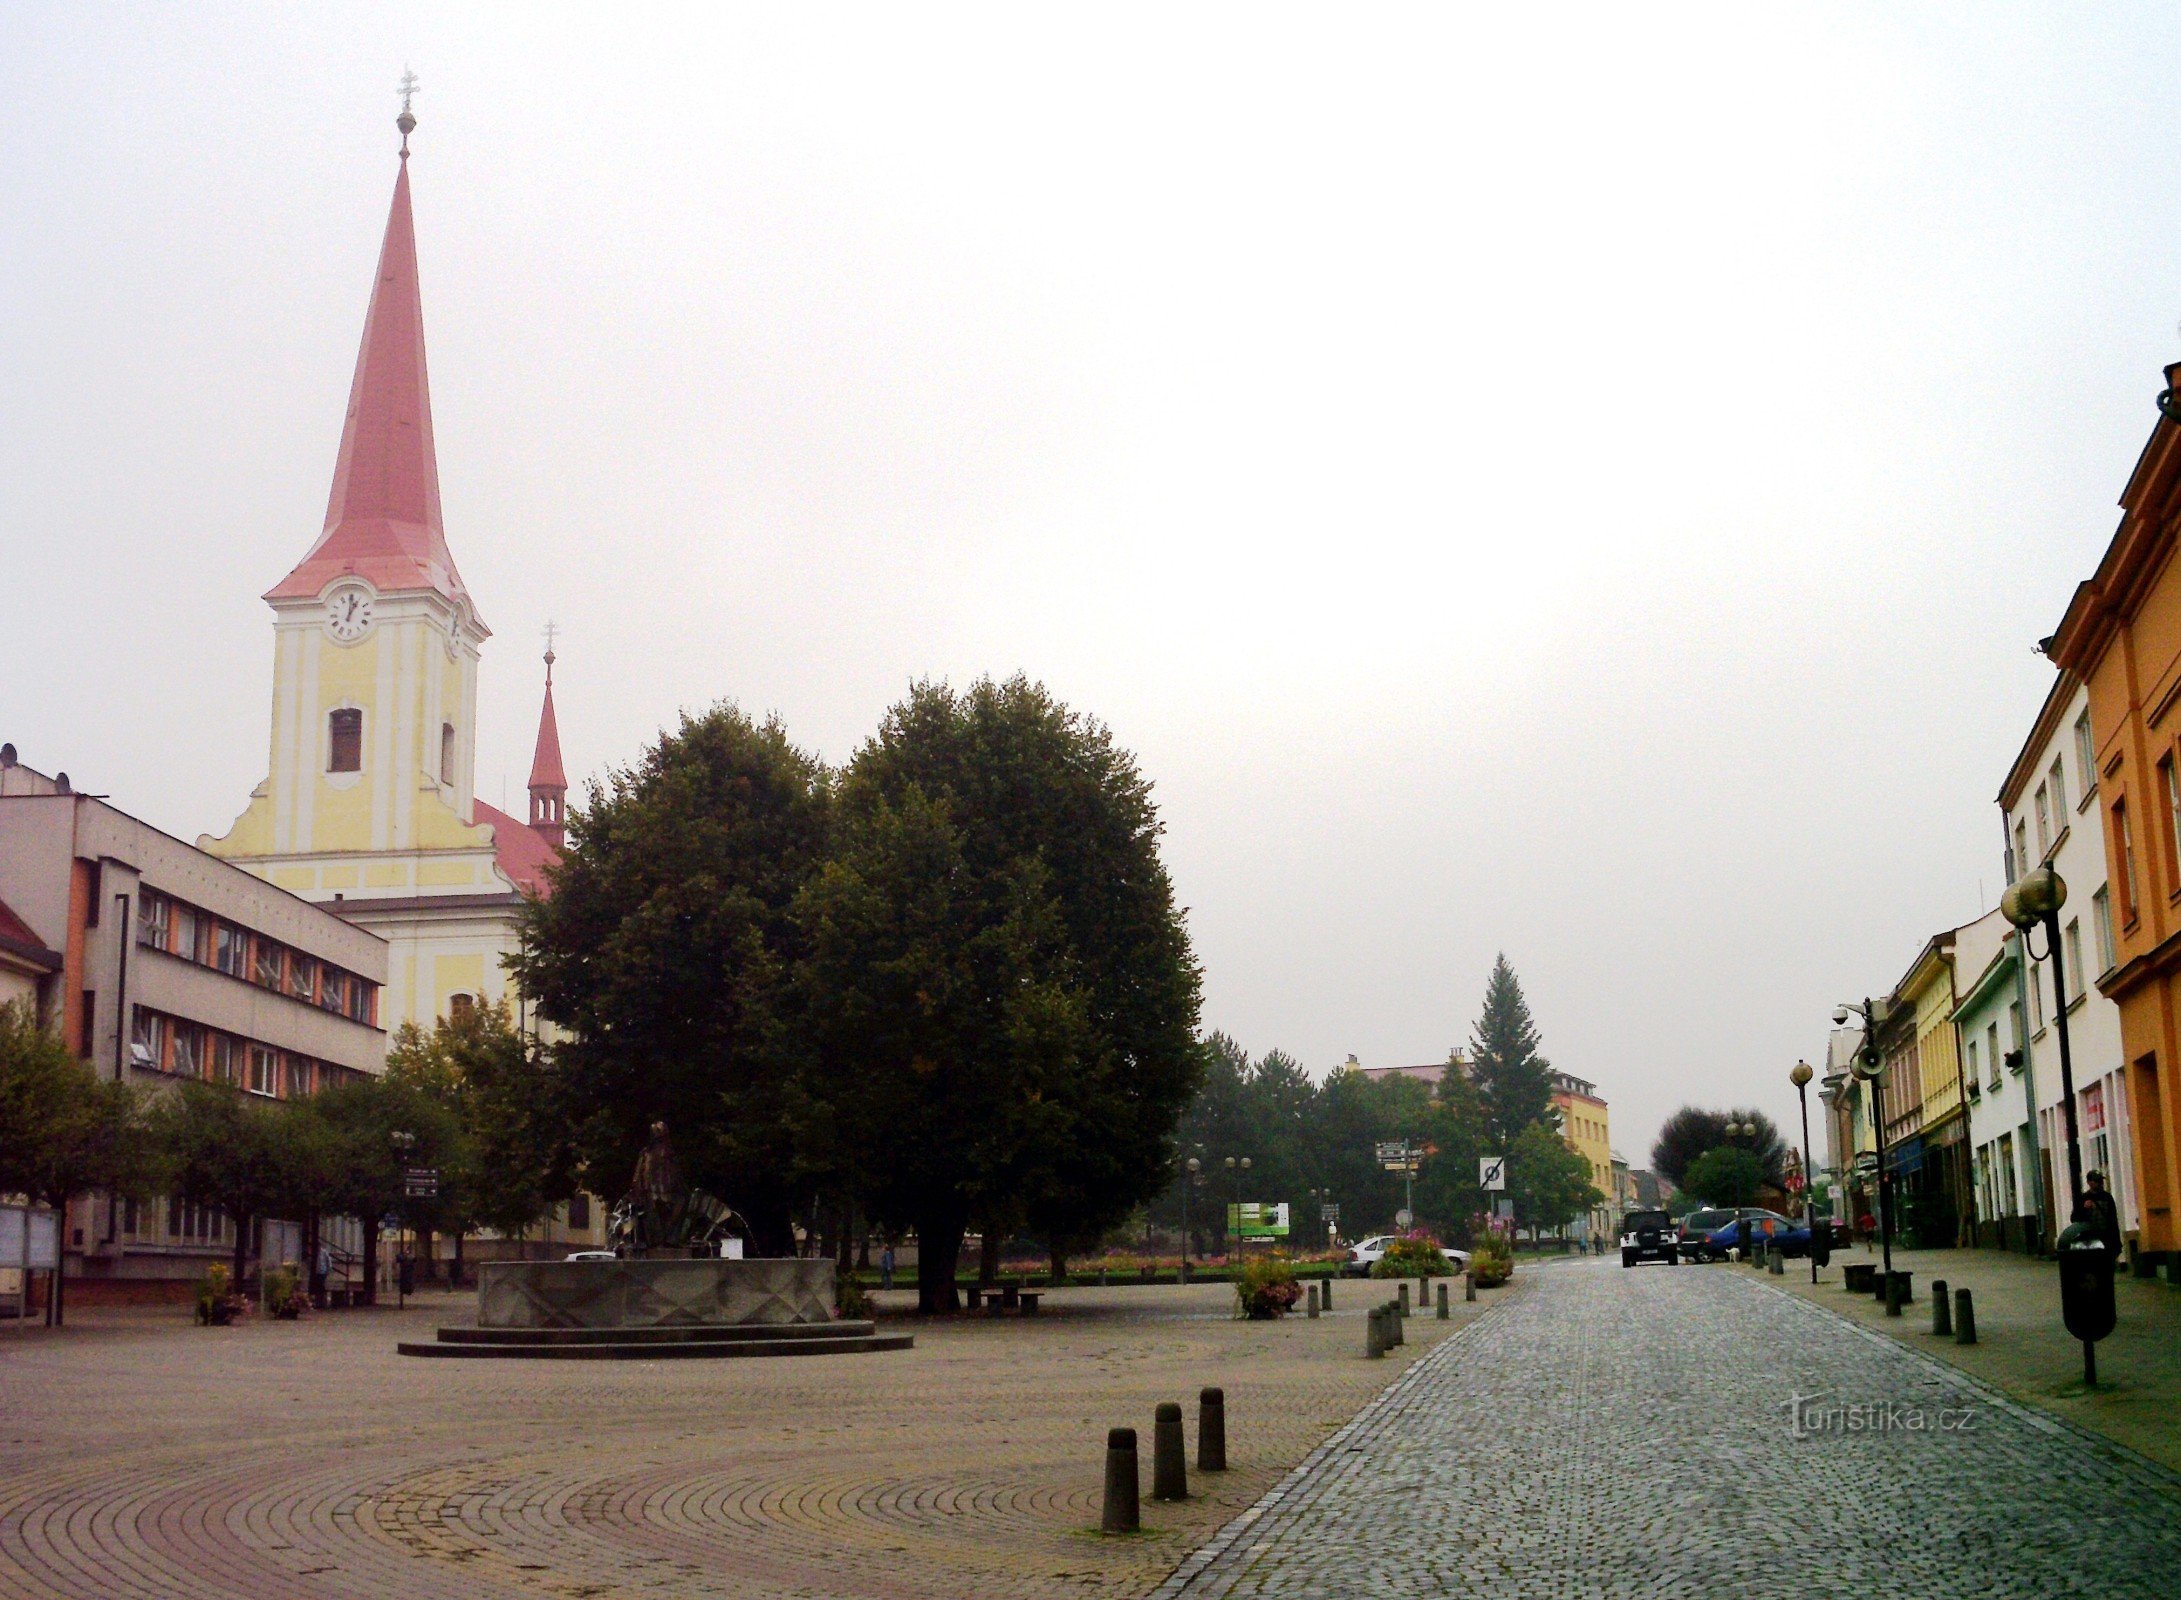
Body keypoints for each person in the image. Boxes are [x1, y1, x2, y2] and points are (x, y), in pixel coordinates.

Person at [2078, 1170, 2123, 1261]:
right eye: (2096, 1181)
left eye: (2100, 1181)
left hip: (2106, 1237)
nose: (2099, 1183)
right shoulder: (2084, 1198)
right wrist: (2084, 1208)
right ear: (2089, 1182)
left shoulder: (2107, 1197)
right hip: (2091, 1239)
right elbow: (2075, 1218)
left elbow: (2113, 1220)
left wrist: (2116, 1242)